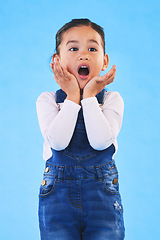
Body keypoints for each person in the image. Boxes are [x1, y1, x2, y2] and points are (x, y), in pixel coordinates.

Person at [36, 18, 125, 240]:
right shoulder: (47, 100)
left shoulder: (112, 100)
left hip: (102, 195)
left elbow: (101, 141)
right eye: (73, 48)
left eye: (92, 48)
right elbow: (57, 142)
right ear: (57, 60)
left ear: (104, 61)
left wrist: (89, 98)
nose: (83, 55)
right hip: (57, 195)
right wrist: (73, 97)